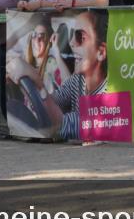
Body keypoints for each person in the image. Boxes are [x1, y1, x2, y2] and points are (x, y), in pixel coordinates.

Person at [42, 10, 108, 142]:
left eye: (80, 37)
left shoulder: (110, 91)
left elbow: (66, 125)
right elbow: (54, 101)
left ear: (101, 52)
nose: (71, 43)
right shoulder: (77, 80)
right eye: (72, 35)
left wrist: (35, 84)